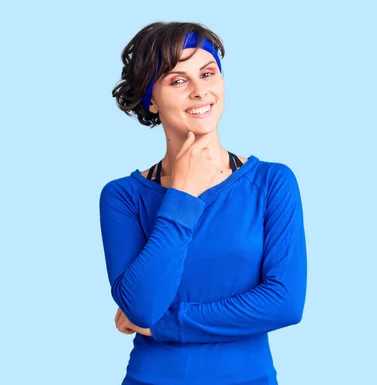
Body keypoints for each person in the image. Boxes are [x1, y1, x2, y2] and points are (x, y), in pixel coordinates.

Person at [99, 21, 307, 385]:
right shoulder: (123, 197)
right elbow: (143, 305)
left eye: (208, 73)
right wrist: (182, 195)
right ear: (151, 99)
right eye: (178, 80)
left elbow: (284, 302)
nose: (200, 91)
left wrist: (165, 324)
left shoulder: (272, 183)